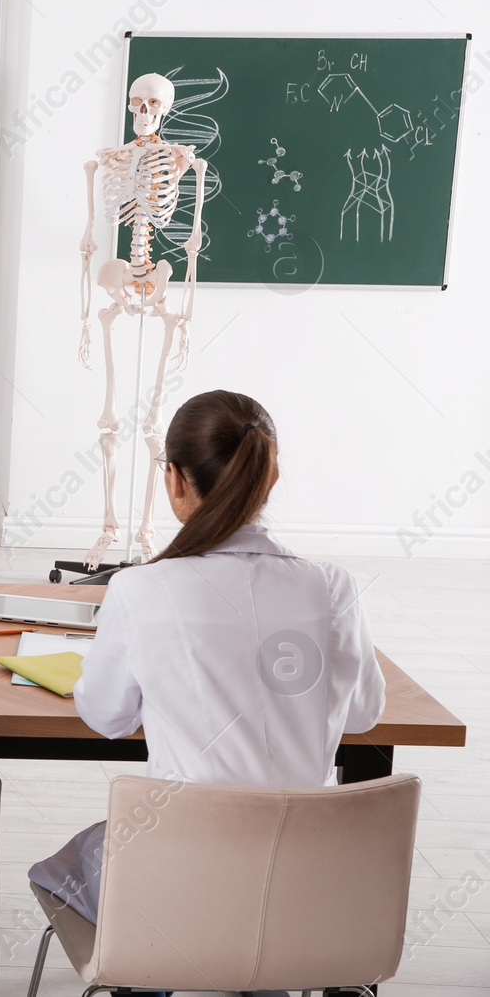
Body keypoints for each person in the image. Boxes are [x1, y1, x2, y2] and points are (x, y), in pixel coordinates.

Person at [29, 390, 387, 937]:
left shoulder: (139, 589)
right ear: (270, 478)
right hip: (302, 884)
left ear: (173, 479)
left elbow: (107, 718)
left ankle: (147, 974)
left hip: (175, 885)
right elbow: (363, 715)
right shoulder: (333, 586)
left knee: (74, 869)